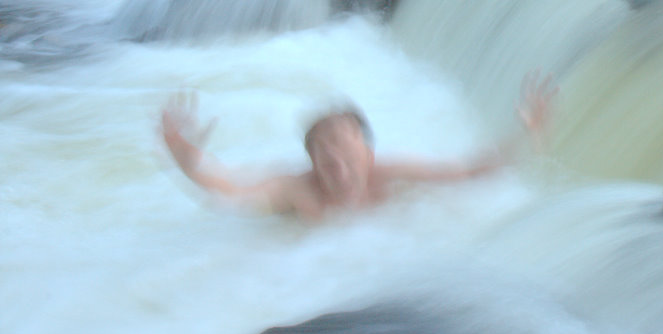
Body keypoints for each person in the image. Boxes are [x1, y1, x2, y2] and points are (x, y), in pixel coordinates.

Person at [160, 74, 557, 221]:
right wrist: (187, 158)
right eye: (325, 155)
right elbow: (231, 189)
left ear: (368, 154)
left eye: (347, 152)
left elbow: (469, 172)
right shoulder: (297, 189)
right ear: (311, 162)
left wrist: (523, 137)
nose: (337, 164)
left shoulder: (390, 174)